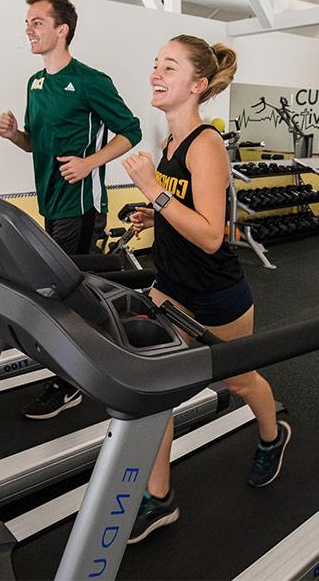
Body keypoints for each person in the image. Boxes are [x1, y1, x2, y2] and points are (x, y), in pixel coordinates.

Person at [121, 35, 290, 544]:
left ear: (196, 84)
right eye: (155, 64)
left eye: (168, 67)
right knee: (155, 389)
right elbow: (186, 212)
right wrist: (154, 213)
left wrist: (152, 189)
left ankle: (272, 435)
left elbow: (213, 235)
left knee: (239, 381)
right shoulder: (169, 143)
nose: (156, 73)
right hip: (170, 286)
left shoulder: (206, 144)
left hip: (216, 295)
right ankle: (159, 498)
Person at [0, 0, 143, 420]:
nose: (29, 29)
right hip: (51, 200)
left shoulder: (91, 80)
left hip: (81, 204)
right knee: (61, 288)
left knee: (64, 292)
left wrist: (91, 162)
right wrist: (12, 135)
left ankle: (73, 381)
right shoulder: (36, 83)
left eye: (38, 22)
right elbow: (35, 145)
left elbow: (130, 130)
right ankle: (84, 360)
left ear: (62, 30)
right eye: (27, 22)